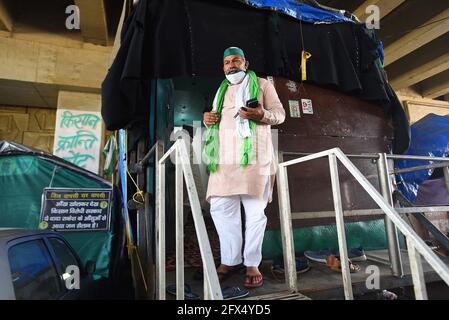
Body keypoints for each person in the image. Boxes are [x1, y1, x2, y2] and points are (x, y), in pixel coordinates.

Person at [203, 47, 285, 288]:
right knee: (220, 209)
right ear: (223, 67)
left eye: (236, 60)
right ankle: (230, 259)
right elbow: (218, 123)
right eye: (227, 62)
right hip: (223, 160)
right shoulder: (220, 91)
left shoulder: (261, 84)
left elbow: (279, 115)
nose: (231, 65)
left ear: (246, 63)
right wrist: (208, 119)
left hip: (255, 159)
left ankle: (251, 263)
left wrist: (261, 114)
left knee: (254, 213)